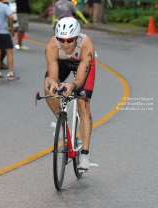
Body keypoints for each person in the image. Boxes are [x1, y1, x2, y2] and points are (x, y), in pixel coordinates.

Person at [44, 17, 96, 170]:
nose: (65, 44)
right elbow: (53, 76)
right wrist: (54, 84)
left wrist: (72, 85)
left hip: (82, 64)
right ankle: (62, 121)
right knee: (48, 87)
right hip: (62, 63)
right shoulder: (53, 45)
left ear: (77, 37)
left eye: (70, 40)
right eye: (62, 40)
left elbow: (80, 79)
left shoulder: (86, 44)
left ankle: (85, 156)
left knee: (83, 103)